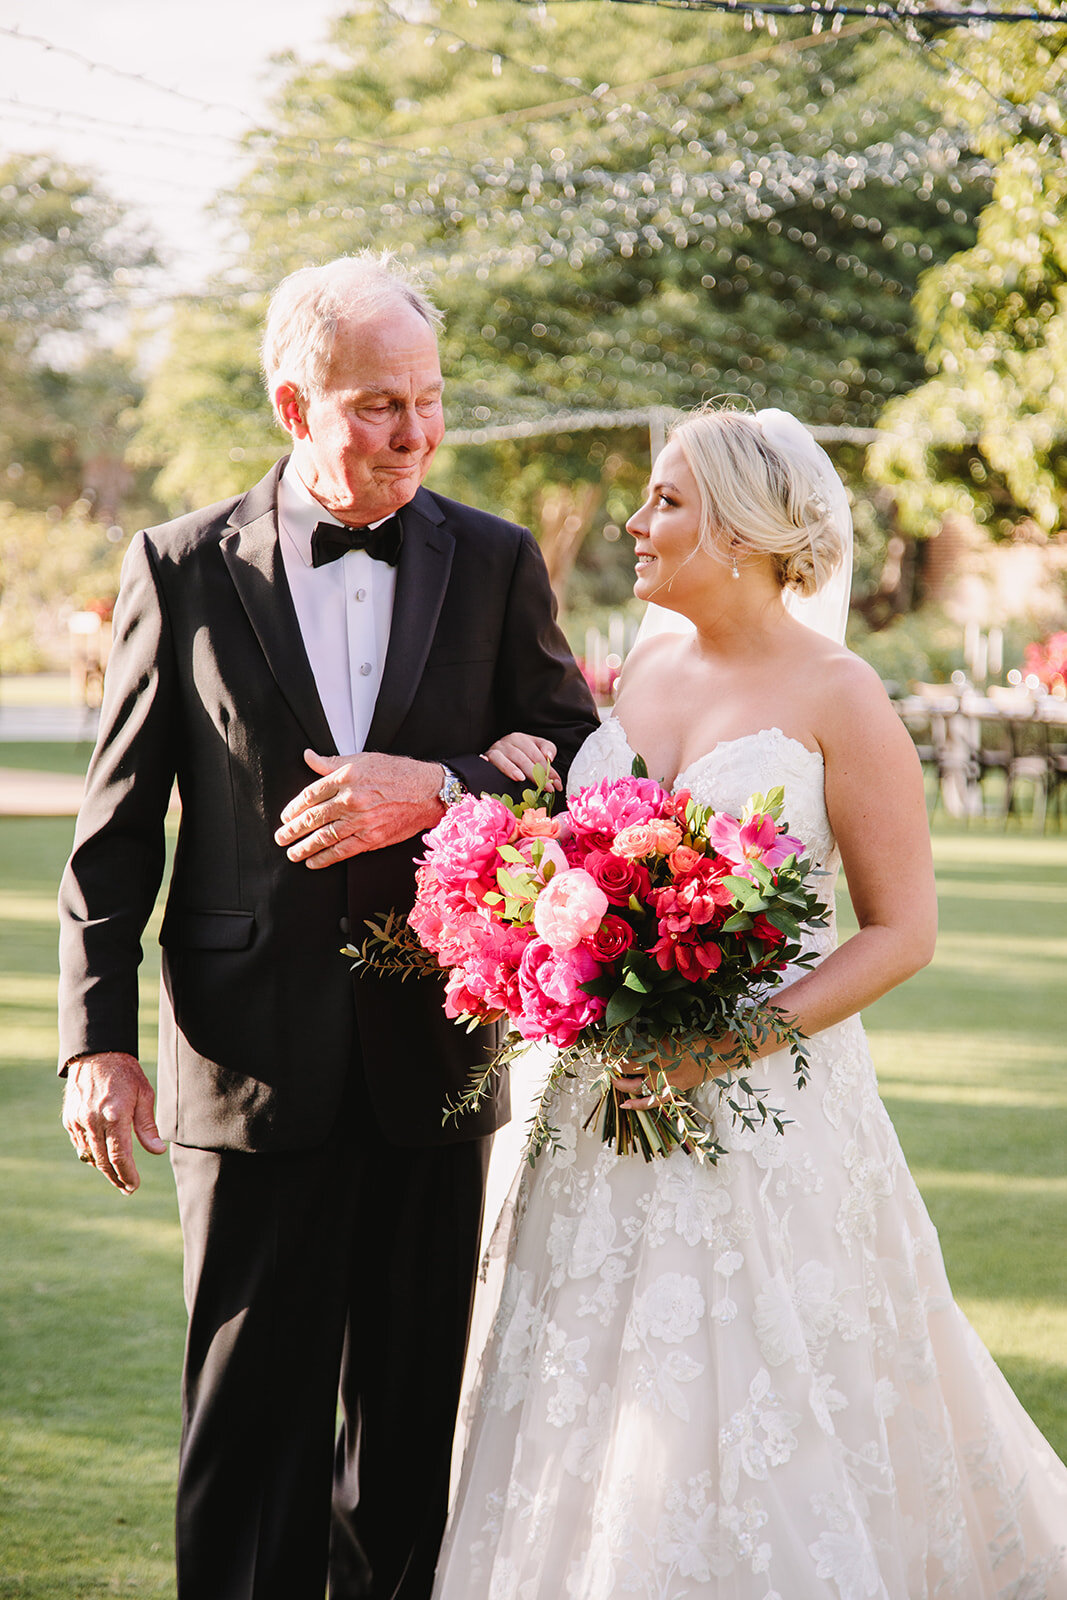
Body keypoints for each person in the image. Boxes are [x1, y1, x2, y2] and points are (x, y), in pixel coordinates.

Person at [432, 404, 1067, 1598]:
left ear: (741, 533)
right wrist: (539, 940)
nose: (634, 520)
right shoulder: (644, 667)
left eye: (664, 500)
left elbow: (904, 931)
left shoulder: (838, 692)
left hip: (764, 1109)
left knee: (759, 1382)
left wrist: (720, 1044)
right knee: (592, 1392)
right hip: (594, 1110)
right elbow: (585, 859)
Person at [57, 252, 599, 1600]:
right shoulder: (176, 565)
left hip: (440, 1042)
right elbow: (118, 826)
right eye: (375, 404)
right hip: (244, 1059)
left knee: (406, 1440)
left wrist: (447, 787)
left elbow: (583, 765)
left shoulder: (494, 558)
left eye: (426, 400)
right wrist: (93, 1042)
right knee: (248, 1437)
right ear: (292, 404)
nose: (412, 433)